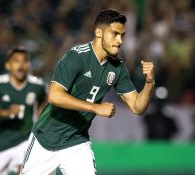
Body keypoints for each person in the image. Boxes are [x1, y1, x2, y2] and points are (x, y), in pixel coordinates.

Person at [20, 9, 155, 175]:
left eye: (122, 35)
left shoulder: (118, 68)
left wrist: (149, 84)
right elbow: (55, 96)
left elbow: (137, 107)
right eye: (114, 34)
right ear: (99, 32)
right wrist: (95, 108)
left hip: (77, 142)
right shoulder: (76, 57)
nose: (120, 40)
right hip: (46, 139)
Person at [0, 47, 46, 175]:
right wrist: (5, 112)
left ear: (29, 65)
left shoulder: (38, 85)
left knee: (25, 170)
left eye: (25, 61)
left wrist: (41, 123)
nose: (21, 64)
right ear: (8, 65)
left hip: (25, 140)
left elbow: (44, 104)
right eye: (16, 61)